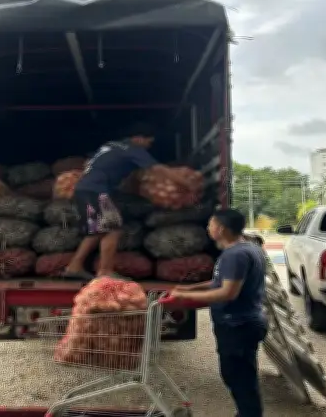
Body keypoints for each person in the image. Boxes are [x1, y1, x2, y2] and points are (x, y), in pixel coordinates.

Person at [63, 122, 200, 280]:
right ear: (139, 138)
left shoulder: (111, 146)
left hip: (84, 189)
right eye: (149, 141)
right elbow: (158, 169)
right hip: (96, 189)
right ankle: (105, 271)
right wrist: (187, 185)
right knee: (113, 228)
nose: (149, 145)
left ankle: (74, 266)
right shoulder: (133, 150)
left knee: (98, 230)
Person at [170, 209, 267, 417]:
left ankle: (249, 414)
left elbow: (227, 292)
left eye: (211, 225)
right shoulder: (246, 249)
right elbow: (218, 282)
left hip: (238, 325)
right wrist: (188, 289)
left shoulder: (235, 255)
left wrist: (185, 299)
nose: (208, 228)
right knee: (238, 375)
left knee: (239, 377)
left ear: (221, 229)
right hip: (241, 323)